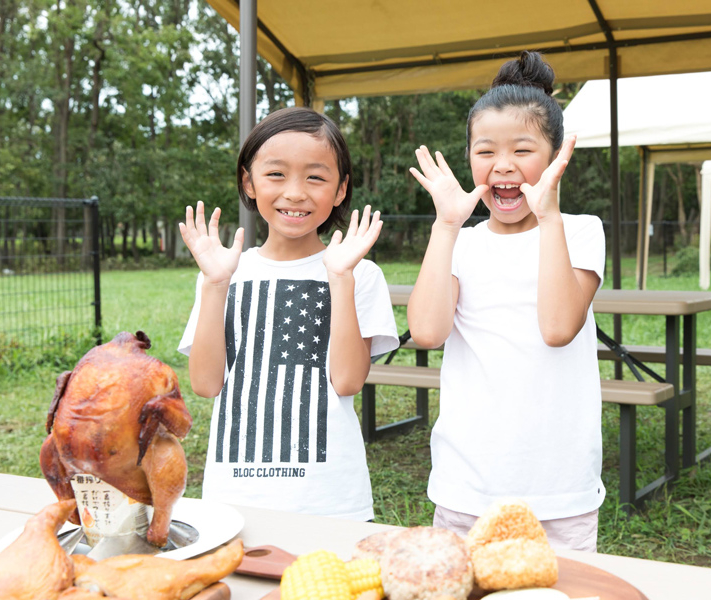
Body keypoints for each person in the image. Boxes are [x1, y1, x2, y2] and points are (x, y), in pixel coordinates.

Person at [407, 51, 606, 551]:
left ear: (558, 156)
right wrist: (446, 225)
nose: (503, 167)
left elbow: (558, 327)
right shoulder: (461, 242)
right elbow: (427, 333)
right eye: (485, 151)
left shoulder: (579, 232)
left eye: (523, 150)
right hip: (466, 482)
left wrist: (551, 220)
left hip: (559, 487)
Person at [177, 107, 399, 521]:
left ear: (340, 189)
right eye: (276, 174)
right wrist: (214, 285)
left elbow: (348, 381)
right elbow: (206, 384)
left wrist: (341, 278)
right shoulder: (223, 272)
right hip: (234, 495)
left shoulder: (359, 273)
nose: (295, 192)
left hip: (331, 500)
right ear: (249, 181)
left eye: (315, 177)